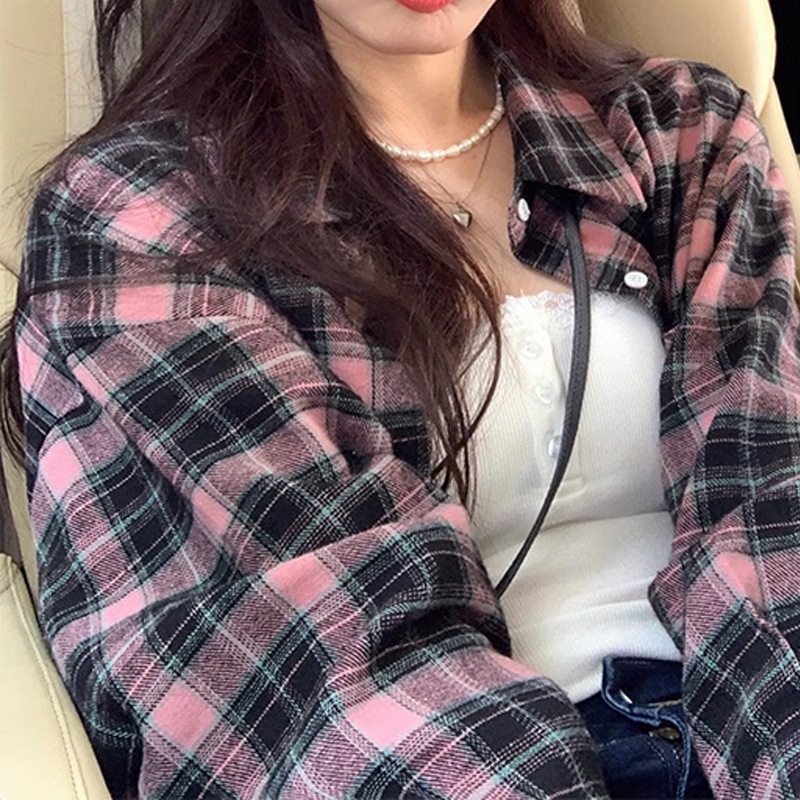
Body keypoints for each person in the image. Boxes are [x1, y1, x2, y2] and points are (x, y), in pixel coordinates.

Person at [1, 0, 799, 797]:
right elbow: (312, 657)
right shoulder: (142, 217)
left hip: (745, 719)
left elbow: (769, 499)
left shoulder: (678, 128)